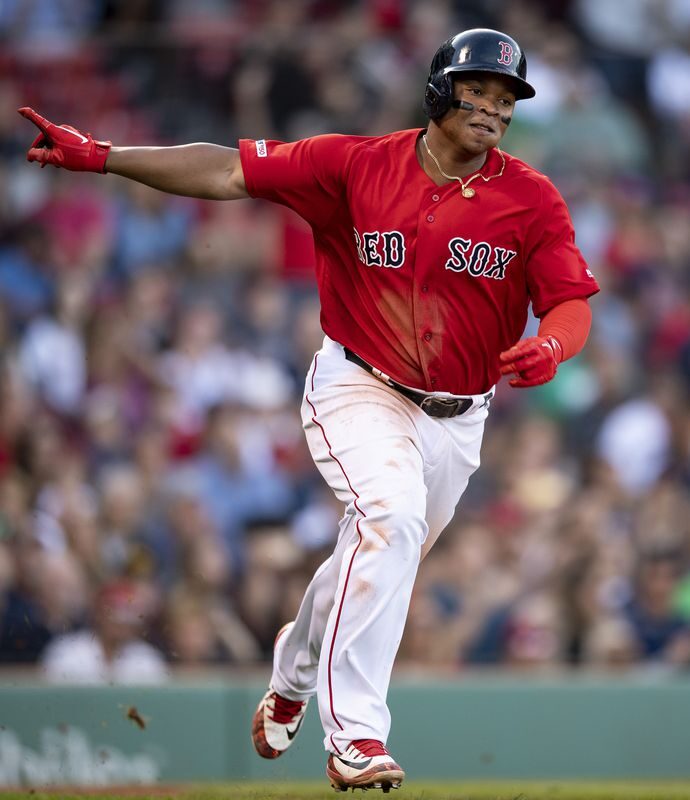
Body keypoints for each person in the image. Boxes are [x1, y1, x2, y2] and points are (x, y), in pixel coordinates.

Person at [19, 27, 599, 793]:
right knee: (390, 520)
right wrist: (106, 155)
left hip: (459, 420)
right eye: (477, 90)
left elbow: (569, 302)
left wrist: (553, 348)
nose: (492, 108)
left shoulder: (529, 198)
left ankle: (295, 665)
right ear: (437, 90)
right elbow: (227, 170)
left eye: (505, 98)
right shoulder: (355, 165)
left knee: (376, 557)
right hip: (359, 383)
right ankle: (356, 733)